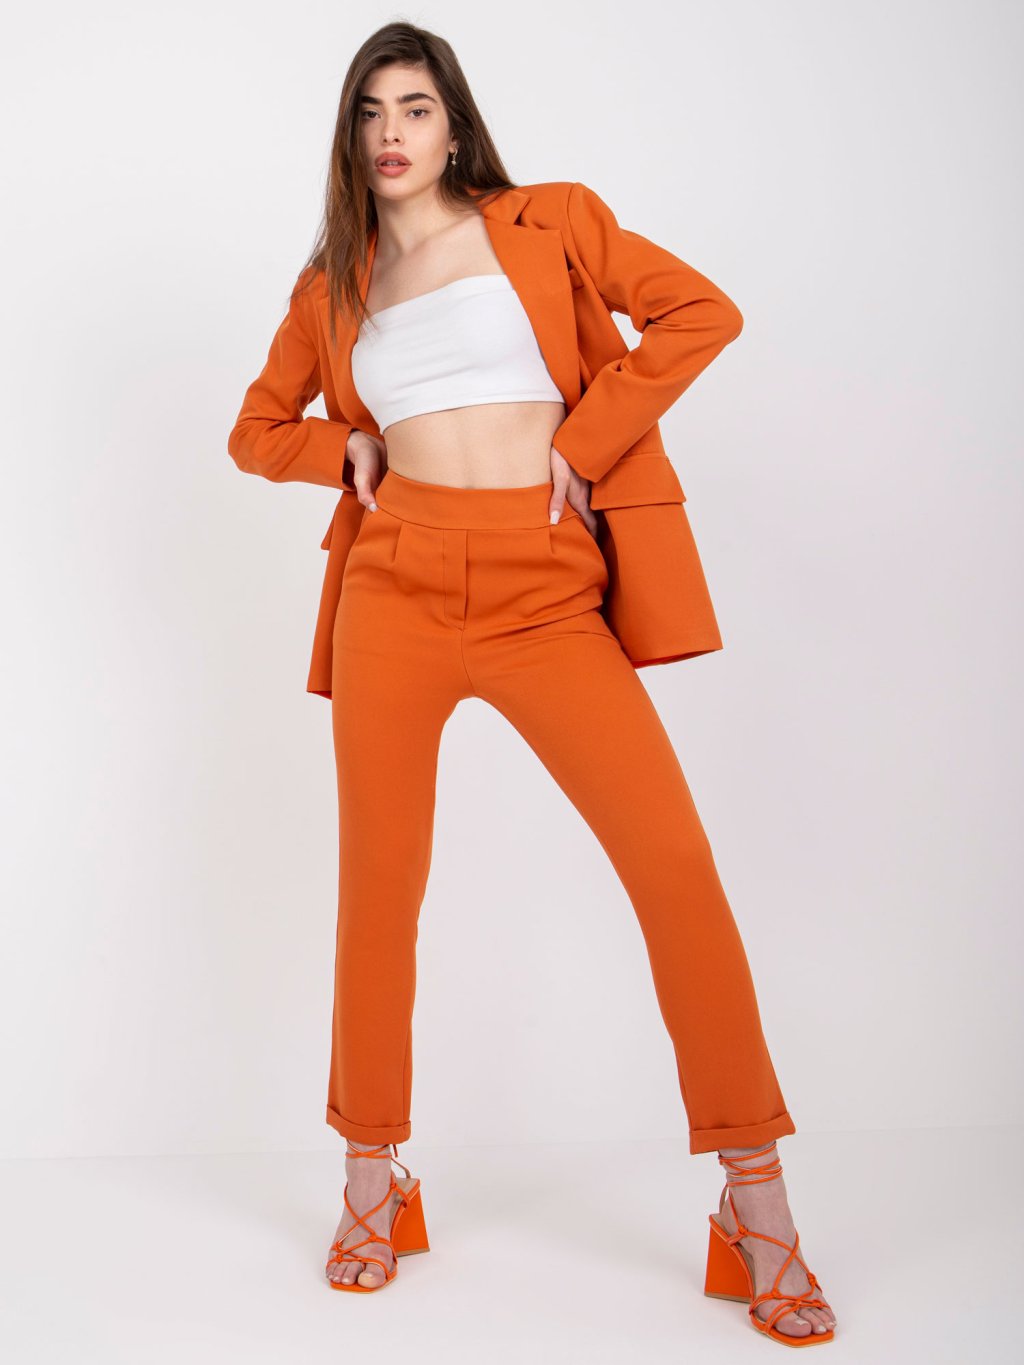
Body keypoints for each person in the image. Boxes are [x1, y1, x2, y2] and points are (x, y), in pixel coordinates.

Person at [227, 20, 836, 1345]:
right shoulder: (334, 286)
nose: (392, 133)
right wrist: (342, 451)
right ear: (351, 137)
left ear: (455, 125)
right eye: (371, 112)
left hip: (545, 587)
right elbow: (254, 430)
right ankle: (373, 1180)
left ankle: (757, 1199)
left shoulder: (549, 221)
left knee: (673, 864)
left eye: (415, 108)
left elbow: (700, 311)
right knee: (381, 888)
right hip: (395, 584)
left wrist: (591, 437)